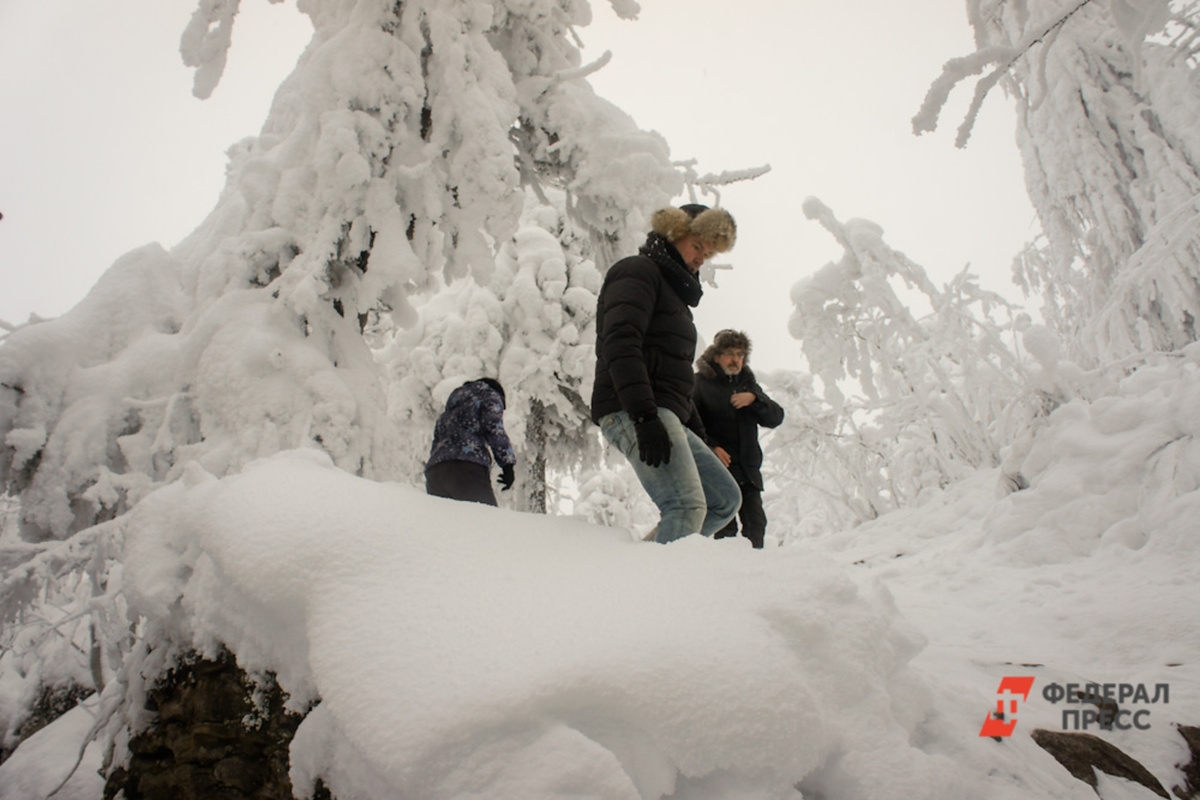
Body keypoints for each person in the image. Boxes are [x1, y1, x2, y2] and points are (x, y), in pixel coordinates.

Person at [591, 203, 742, 543]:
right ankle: (657, 577)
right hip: (632, 408)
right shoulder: (637, 271)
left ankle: (652, 560)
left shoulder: (676, 301)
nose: (701, 258)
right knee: (685, 506)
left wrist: (702, 438)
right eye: (697, 246)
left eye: (708, 253)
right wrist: (643, 417)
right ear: (673, 234)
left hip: (664, 412)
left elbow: (676, 380)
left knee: (724, 500)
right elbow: (621, 342)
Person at [692, 329, 785, 548]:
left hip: (748, 470)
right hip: (718, 468)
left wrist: (754, 399)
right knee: (725, 528)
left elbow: (776, 417)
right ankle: (726, 568)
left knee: (756, 525)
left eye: (740, 354)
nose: (735, 359)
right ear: (717, 356)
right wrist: (711, 447)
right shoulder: (700, 383)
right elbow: (689, 423)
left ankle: (755, 567)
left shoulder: (748, 385)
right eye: (730, 353)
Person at [425, 378, 516, 506]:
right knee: (486, 516)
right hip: (467, 469)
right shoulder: (489, 396)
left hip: (435, 473)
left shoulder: (450, 410)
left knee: (448, 519)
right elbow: (494, 428)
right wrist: (507, 466)